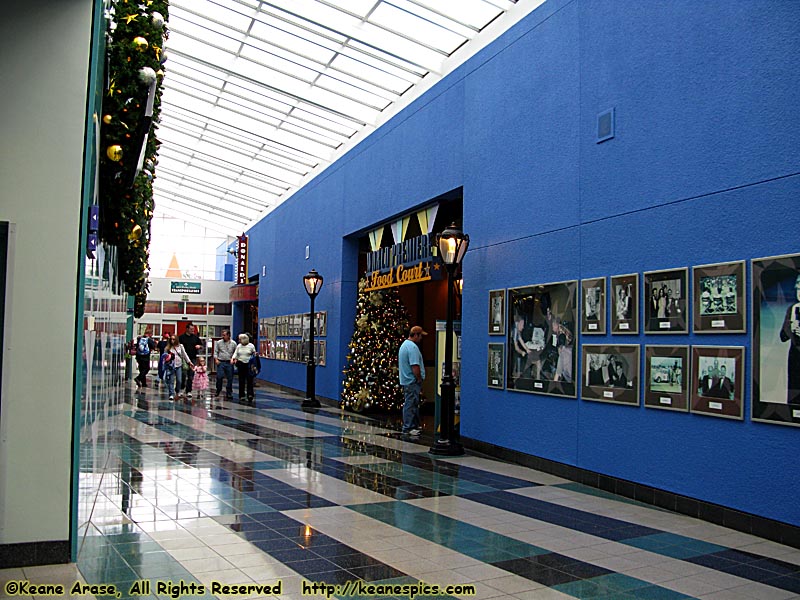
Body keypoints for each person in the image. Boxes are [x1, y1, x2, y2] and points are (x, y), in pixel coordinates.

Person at [398, 325, 426, 436]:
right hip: (411, 381)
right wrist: (419, 378)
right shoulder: (413, 348)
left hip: (406, 380)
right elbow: (415, 366)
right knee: (411, 403)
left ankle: (411, 425)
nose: (421, 339)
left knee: (411, 402)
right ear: (415, 335)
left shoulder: (404, 345)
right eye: (420, 336)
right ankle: (408, 427)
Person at [780, 274, 800, 405]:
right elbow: (783, 336)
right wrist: (790, 326)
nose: (799, 293)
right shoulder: (792, 309)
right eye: (798, 289)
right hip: (795, 357)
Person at [163, 335, 194, 402]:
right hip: (171, 366)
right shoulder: (168, 348)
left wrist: (189, 362)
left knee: (179, 380)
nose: (172, 341)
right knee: (171, 380)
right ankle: (171, 394)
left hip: (179, 365)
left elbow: (184, 354)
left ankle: (178, 390)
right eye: (171, 339)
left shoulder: (180, 346)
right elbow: (164, 356)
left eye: (174, 339)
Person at [179, 324, 203, 399]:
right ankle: (181, 388)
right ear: (187, 329)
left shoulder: (195, 338)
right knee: (183, 374)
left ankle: (188, 390)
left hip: (192, 358)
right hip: (183, 359)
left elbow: (201, 345)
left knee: (190, 375)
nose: (192, 330)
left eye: (193, 329)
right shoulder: (181, 337)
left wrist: (199, 346)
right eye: (191, 329)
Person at [231, 333, 257, 404]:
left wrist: (255, 356)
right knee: (241, 380)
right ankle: (241, 395)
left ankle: (250, 394)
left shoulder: (251, 346)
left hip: (248, 365)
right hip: (241, 364)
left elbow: (254, 354)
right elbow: (235, 353)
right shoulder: (239, 346)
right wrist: (233, 359)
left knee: (249, 380)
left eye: (240, 339)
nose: (239, 341)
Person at [214, 329, 237, 400]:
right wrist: (216, 359)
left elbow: (236, 352)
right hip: (221, 362)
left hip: (229, 362)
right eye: (222, 335)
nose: (223, 336)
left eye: (224, 335)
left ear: (228, 335)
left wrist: (234, 359)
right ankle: (218, 389)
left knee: (230, 378)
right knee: (219, 376)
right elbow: (215, 352)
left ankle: (229, 392)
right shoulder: (219, 343)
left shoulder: (233, 343)